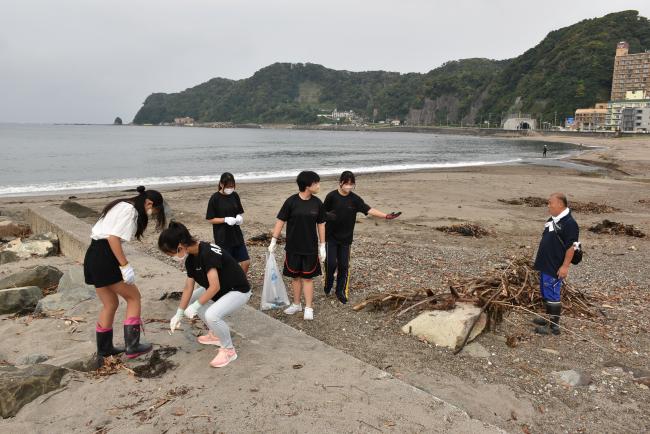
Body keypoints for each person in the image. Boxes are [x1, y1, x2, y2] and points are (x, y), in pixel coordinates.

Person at [83, 186, 166, 361]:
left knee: (110, 304)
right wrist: (125, 265)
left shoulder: (120, 204)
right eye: (153, 210)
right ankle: (133, 346)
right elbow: (113, 239)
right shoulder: (131, 211)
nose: (151, 213)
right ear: (149, 203)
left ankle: (105, 349)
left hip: (92, 254)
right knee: (134, 297)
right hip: (105, 256)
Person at [160, 222, 251, 368]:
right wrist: (179, 313)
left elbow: (214, 287)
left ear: (180, 247)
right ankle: (216, 334)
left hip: (237, 290)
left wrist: (196, 306)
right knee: (192, 301)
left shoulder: (207, 253)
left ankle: (229, 350)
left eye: (172, 254)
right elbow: (188, 287)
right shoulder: (191, 258)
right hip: (223, 288)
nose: (173, 257)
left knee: (212, 315)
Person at [323, 171, 401, 304]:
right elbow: (322, 213)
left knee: (344, 265)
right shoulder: (331, 196)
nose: (349, 186)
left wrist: (386, 216)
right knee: (330, 264)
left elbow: (368, 209)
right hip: (330, 237)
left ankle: (340, 291)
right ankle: (328, 285)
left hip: (346, 238)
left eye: (351, 184)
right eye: (346, 183)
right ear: (340, 182)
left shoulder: (355, 199)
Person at [268, 171, 326, 320]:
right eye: (316, 183)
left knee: (307, 278)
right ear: (308, 185)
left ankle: (308, 307)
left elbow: (321, 224)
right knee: (295, 277)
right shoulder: (291, 202)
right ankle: (296, 304)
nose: (318, 185)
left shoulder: (317, 203)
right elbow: (280, 221)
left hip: (310, 248)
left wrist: (322, 245)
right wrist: (273, 240)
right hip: (293, 247)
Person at [532, 192, 579, 335]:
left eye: (550, 203)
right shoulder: (554, 219)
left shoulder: (570, 223)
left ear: (560, 204)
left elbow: (572, 246)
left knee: (553, 294)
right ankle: (548, 318)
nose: (548, 205)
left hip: (555, 265)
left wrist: (565, 267)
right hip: (546, 263)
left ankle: (553, 326)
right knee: (546, 291)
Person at [206, 172, 250, 273]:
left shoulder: (234, 195)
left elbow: (239, 211)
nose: (230, 188)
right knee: (229, 264)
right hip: (223, 237)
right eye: (228, 186)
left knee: (246, 262)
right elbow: (210, 219)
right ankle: (231, 284)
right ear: (221, 184)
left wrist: (239, 217)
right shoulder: (215, 198)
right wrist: (225, 220)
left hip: (236, 234)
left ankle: (241, 282)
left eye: (232, 186)